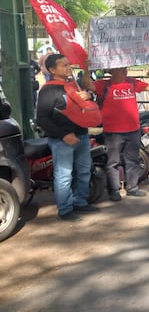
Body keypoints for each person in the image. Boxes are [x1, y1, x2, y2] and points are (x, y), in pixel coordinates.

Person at [36, 54, 100, 221]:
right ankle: (65, 209)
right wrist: (63, 135)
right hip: (62, 140)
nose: (68, 67)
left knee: (84, 171)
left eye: (68, 64)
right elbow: (42, 118)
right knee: (64, 175)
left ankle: (81, 201)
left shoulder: (73, 86)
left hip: (82, 136)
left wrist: (88, 97)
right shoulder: (48, 90)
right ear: (52, 69)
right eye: (63, 65)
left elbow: (86, 106)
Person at [85, 64, 149, 201]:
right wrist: (85, 68)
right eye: (120, 68)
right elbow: (87, 85)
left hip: (133, 129)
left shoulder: (132, 82)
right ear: (112, 70)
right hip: (113, 131)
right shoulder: (103, 84)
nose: (124, 70)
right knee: (113, 161)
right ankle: (114, 190)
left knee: (133, 159)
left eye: (125, 68)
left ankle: (132, 187)